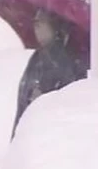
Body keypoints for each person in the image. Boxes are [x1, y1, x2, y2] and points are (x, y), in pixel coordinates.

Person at [11, 9, 88, 139]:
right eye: (34, 22)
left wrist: (42, 100)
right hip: (31, 131)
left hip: (47, 134)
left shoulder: (62, 59)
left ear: (53, 25)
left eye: (40, 22)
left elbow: (68, 96)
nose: (36, 27)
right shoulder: (38, 56)